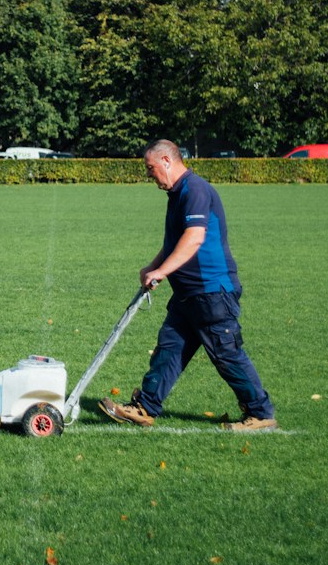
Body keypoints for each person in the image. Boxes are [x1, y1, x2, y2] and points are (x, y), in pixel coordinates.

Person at [101, 140, 278, 431]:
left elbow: (194, 238)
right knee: (169, 349)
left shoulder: (194, 189)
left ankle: (260, 413)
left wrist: (162, 271)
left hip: (211, 292)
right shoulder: (176, 194)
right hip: (188, 294)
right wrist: (153, 265)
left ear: (167, 161)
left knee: (226, 353)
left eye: (151, 168)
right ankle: (145, 407)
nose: (149, 176)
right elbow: (174, 243)